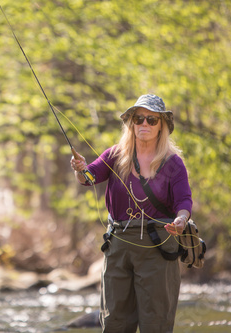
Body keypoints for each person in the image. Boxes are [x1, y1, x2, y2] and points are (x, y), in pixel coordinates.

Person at [70, 94, 192, 333]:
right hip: (118, 245)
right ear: (131, 123)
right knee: (115, 321)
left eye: (151, 119)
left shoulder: (173, 163)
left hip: (159, 247)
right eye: (138, 119)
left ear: (162, 126)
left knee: (155, 322)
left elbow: (184, 200)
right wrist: (80, 169)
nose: (144, 124)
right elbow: (89, 178)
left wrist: (181, 220)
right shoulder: (115, 155)